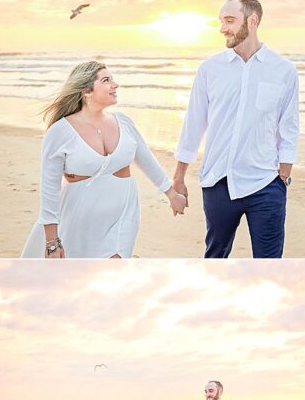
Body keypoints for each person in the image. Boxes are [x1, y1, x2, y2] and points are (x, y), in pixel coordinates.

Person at [172, 0, 299, 258]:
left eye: (230, 20)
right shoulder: (210, 69)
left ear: (252, 21)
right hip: (218, 182)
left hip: (266, 183)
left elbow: (289, 126)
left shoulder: (283, 70)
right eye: (221, 21)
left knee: (269, 264)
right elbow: (194, 123)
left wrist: (283, 177)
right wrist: (179, 176)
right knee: (215, 258)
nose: (223, 29)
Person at [21, 61, 188, 258]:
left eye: (113, 80)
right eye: (106, 80)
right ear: (87, 91)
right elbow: (50, 190)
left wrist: (171, 193)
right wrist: (51, 242)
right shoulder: (60, 132)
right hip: (81, 214)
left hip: (123, 211)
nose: (115, 85)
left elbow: (145, 159)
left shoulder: (123, 122)